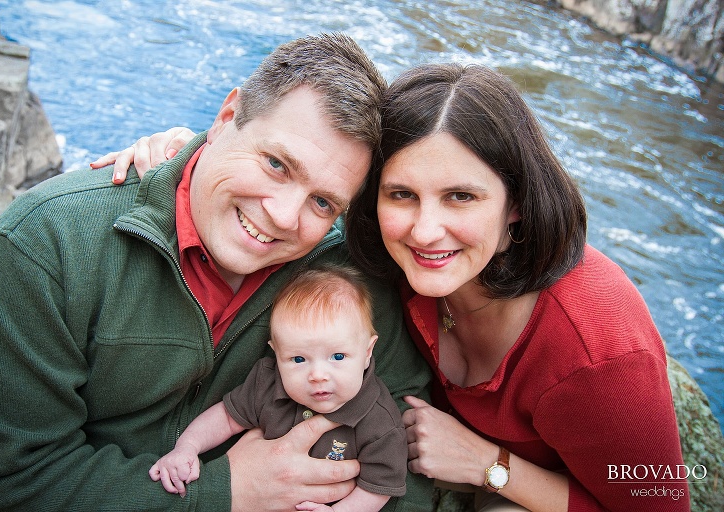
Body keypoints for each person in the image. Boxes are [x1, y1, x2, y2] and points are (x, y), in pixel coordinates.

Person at [103, 63, 690, 512]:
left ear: (516, 204)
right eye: (401, 194)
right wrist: (191, 157)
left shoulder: (598, 355)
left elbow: (659, 502)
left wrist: (489, 464)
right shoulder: (397, 270)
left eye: (461, 196)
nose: (424, 229)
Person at [0, 33, 434, 512]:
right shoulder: (48, 244)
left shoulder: (349, 280)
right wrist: (227, 492)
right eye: (276, 164)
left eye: (323, 202)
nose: (285, 216)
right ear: (227, 118)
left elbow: (413, 466)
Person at [150, 265, 407, 512]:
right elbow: (227, 418)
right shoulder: (268, 383)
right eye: (298, 359)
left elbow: (380, 486)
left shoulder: (380, 420)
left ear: (367, 352)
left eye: (337, 357)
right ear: (277, 354)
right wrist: (187, 448)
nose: (317, 375)